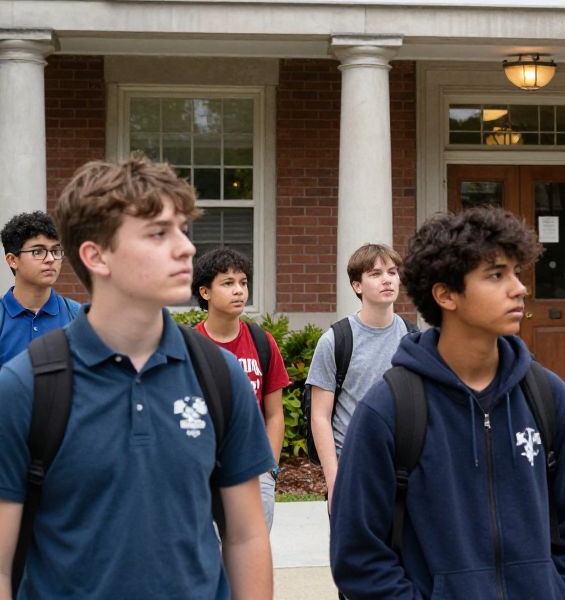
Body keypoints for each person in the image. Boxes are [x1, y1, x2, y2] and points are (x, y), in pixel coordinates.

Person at [0, 155, 274, 599]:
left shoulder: (218, 377)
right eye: (158, 233)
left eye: (183, 229)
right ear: (96, 256)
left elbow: (245, 537)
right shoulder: (27, 387)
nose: (186, 247)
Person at [329, 207, 565, 600]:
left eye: (516, 272)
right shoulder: (389, 408)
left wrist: (561, 591)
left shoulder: (546, 395)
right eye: (496, 275)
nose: (519, 288)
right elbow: (358, 554)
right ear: (446, 295)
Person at [306, 243, 412, 513]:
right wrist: (335, 480)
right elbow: (319, 416)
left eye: (392, 271)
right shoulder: (336, 341)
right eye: (375, 274)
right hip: (353, 466)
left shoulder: (414, 340)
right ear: (357, 286)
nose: (387, 279)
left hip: (402, 468)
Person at [192, 247, 291, 532]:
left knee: (248, 562)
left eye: (243, 282)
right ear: (205, 292)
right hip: (204, 472)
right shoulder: (190, 346)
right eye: (228, 283)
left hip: (254, 470)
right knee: (209, 564)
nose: (239, 291)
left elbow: (274, 414)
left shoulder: (262, 342)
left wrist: (269, 468)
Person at [1, 211, 81, 366]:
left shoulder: (78, 317)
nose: (50, 259)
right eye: (38, 252)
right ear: (12, 260)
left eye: (55, 251)